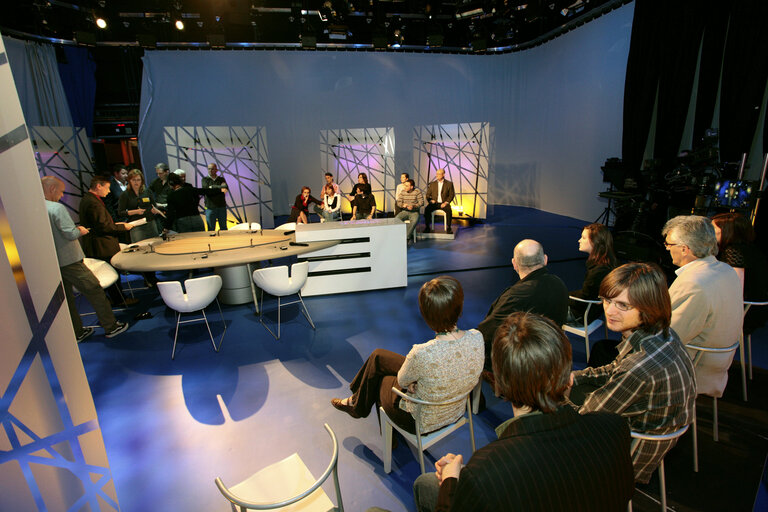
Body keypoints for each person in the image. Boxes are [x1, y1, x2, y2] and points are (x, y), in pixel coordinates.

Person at [413, 313, 634, 512]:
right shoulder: (614, 428)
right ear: (568, 376)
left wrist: (452, 481)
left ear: (499, 385)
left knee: (426, 484)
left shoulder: (486, 472)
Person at [571, 262, 696, 484]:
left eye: (623, 305)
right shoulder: (663, 333)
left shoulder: (639, 368)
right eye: (607, 300)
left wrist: (551, 394)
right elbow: (615, 368)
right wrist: (575, 377)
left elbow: (585, 419)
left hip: (630, 454)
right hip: (659, 433)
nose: (609, 311)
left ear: (648, 307)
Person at [330, 276, 484, 436]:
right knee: (378, 357)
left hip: (421, 422)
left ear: (425, 314)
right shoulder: (477, 337)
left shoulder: (423, 353)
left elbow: (402, 381)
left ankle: (365, 413)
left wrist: (411, 382)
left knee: (381, 378)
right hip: (456, 411)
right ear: (460, 306)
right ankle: (356, 402)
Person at [663, 215, 743, 398]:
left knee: (608, 354)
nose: (667, 249)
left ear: (684, 249)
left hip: (692, 367)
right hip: (718, 365)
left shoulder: (693, 282)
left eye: (668, 244)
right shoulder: (726, 270)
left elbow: (669, 338)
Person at [42, 177, 129, 341]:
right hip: (70, 260)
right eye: (61, 192)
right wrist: (80, 230)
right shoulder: (56, 208)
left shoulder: (34, 209)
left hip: (52, 262)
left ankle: (77, 332)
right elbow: (70, 233)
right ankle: (111, 326)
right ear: (52, 189)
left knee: (66, 299)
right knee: (94, 290)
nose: (61, 196)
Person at [476, 239, 568, 370]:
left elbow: (486, 334)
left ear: (514, 264)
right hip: (552, 356)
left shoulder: (515, 296)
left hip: (521, 365)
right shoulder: (559, 284)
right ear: (545, 259)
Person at [79, 175, 137, 306]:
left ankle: (118, 298)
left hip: (98, 244)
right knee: (112, 274)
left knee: (112, 273)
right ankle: (120, 300)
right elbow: (104, 226)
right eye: (107, 188)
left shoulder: (88, 200)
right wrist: (122, 226)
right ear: (98, 186)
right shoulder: (93, 202)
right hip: (102, 246)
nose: (109, 191)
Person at [711, 212, 768, 333]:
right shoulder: (751, 249)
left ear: (728, 232)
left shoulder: (733, 251)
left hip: (744, 312)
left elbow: (734, 290)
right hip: (754, 308)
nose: (709, 235)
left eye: (714, 231)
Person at [567, 223, 617, 324]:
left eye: (583, 238)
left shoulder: (599, 271)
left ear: (595, 242)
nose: (579, 240)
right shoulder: (607, 263)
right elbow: (588, 293)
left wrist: (562, 297)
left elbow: (584, 298)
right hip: (593, 312)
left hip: (582, 316)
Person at [118, 169, 162, 243]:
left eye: (138, 180)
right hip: (136, 225)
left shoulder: (147, 191)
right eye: (133, 180)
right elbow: (120, 212)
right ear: (129, 181)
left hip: (150, 223)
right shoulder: (125, 194)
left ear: (142, 181)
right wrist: (135, 212)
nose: (136, 182)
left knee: (156, 244)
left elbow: (154, 205)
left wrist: (154, 210)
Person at [423, 168, 455, 234]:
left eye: (438, 174)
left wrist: (446, 202)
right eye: (436, 174)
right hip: (434, 203)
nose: (437, 175)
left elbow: (451, 195)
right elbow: (428, 195)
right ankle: (427, 227)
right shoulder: (432, 184)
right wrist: (431, 200)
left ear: (443, 174)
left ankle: (449, 227)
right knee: (427, 209)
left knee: (449, 210)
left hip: (444, 203)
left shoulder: (449, 184)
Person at [202, 163, 229, 230]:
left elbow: (225, 188)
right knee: (211, 229)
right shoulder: (205, 179)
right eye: (209, 169)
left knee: (223, 228)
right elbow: (207, 191)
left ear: (216, 170)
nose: (210, 170)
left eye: (212, 169)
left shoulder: (221, 179)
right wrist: (220, 188)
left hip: (221, 207)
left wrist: (212, 187)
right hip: (210, 208)